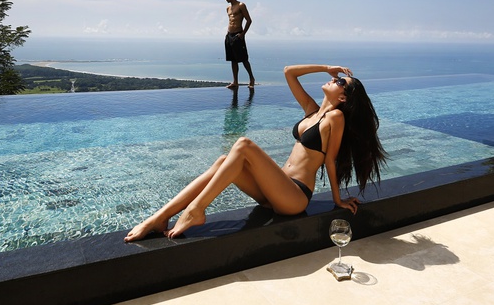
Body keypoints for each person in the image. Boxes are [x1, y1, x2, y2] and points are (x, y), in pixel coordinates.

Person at [124, 64, 388, 242]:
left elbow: (329, 160)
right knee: (223, 161)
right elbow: (288, 72)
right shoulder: (311, 110)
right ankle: (159, 218)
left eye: (340, 81)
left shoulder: (335, 118)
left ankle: (196, 210)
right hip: (274, 191)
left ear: (343, 97)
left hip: (294, 197)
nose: (334, 79)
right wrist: (326, 67)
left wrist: (338, 199)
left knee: (244, 145)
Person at [223, 0, 255, 88]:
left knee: (244, 59)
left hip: (238, 34)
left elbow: (249, 20)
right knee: (233, 60)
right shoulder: (228, 8)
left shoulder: (241, 5)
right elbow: (231, 21)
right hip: (229, 35)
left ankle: (251, 79)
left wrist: (242, 34)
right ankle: (235, 82)